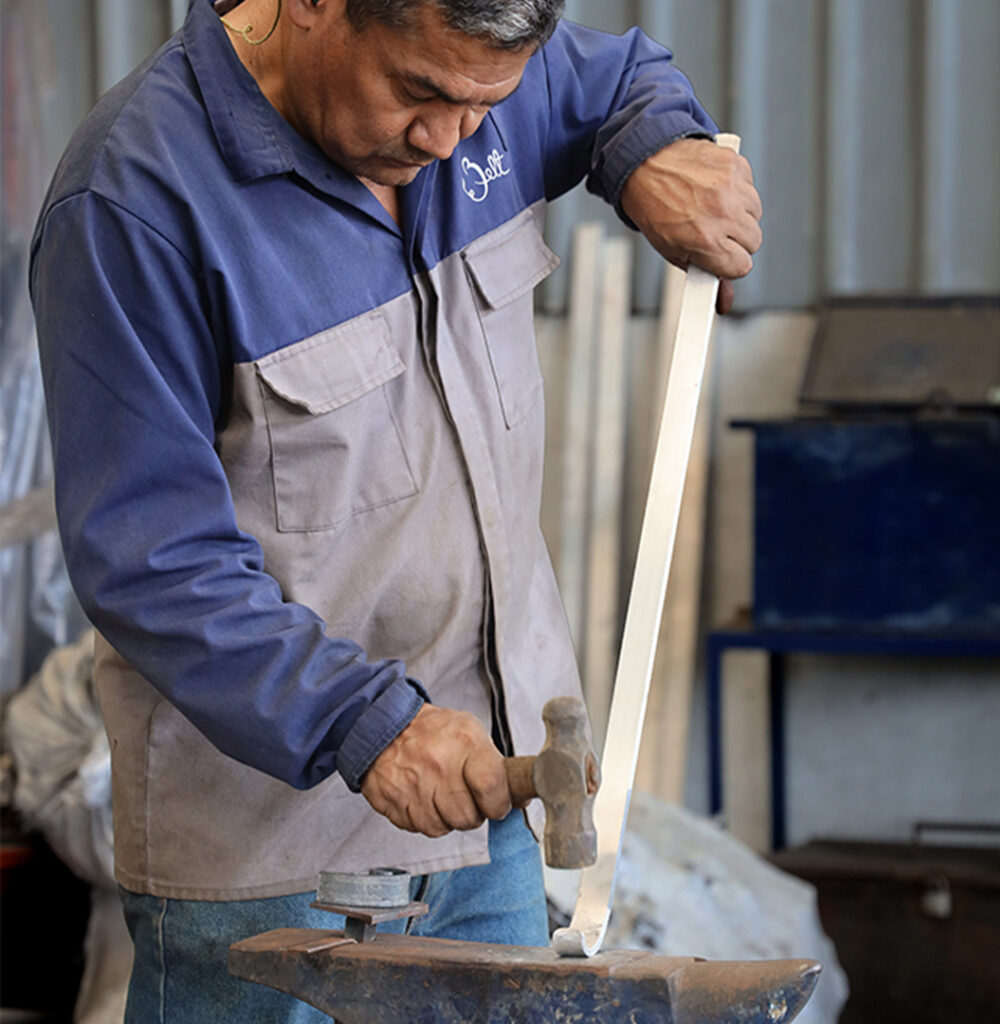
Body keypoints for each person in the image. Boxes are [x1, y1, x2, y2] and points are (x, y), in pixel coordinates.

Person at [29, 0, 763, 1019]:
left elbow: (610, 81)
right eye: (416, 93)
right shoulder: (136, 199)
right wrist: (361, 722)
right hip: (277, 870)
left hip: (489, 826)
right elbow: (151, 558)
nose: (450, 138)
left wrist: (655, 149)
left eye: (485, 102)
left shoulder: (473, 77)